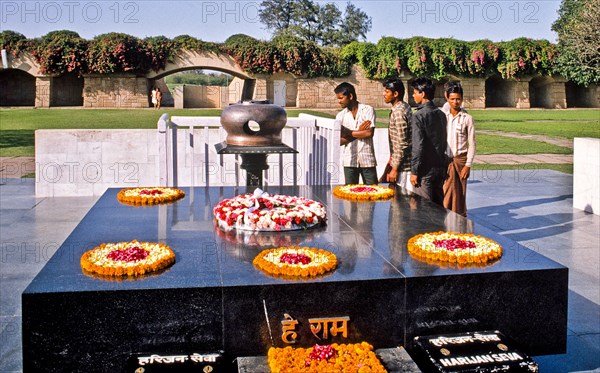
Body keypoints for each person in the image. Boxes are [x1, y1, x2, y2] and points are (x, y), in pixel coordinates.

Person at [410, 77, 448, 206]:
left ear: (423, 94)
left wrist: (414, 171)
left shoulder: (418, 115)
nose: (413, 95)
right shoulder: (441, 114)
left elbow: (418, 146)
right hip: (440, 167)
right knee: (439, 207)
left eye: (415, 92)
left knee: (424, 209)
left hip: (425, 170)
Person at [334, 82, 377, 185]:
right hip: (349, 161)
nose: (339, 101)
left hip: (367, 159)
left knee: (373, 192)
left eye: (341, 98)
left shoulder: (367, 110)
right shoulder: (340, 116)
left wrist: (348, 132)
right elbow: (338, 141)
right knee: (349, 195)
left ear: (351, 96)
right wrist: (359, 131)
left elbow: (369, 134)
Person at [443, 82, 476, 216]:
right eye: (452, 99)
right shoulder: (443, 116)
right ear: (447, 98)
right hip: (445, 160)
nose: (455, 102)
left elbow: (472, 143)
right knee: (445, 191)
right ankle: (444, 219)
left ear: (462, 99)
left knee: (460, 193)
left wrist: (468, 165)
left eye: (458, 99)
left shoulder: (467, 118)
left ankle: (459, 220)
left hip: (461, 160)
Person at [381, 78, 413, 193]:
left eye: (387, 91)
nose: (383, 94)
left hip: (404, 167)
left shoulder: (399, 112)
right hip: (402, 164)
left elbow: (403, 143)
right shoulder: (404, 106)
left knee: (401, 205)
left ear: (395, 94)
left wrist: (394, 169)